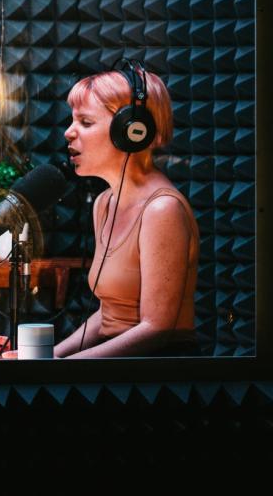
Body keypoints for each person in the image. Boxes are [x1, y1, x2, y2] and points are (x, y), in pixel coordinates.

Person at [53, 63, 200, 358]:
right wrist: (52, 356)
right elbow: (110, 316)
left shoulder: (162, 210)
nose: (69, 132)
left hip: (155, 371)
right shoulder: (104, 204)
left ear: (132, 130)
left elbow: (156, 328)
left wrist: (65, 369)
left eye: (85, 122)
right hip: (116, 367)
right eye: (72, 120)